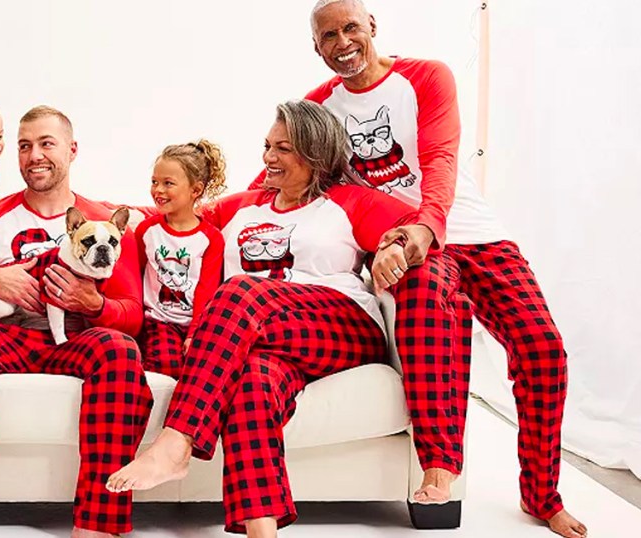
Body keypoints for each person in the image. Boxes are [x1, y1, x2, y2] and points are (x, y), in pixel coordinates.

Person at [252, 2, 583, 537]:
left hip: (468, 233)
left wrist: (423, 228)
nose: (343, 42)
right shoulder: (318, 106)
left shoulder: (426, 76)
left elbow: (441, 161)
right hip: (400, 245)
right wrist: (178, 212)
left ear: (373, 27)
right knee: (429, 305)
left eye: (351, 27)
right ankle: (438, 466)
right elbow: (275, 178)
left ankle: (542, 495)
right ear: (317, 48)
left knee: (542, 347)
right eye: (329, 35)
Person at [107, 100, 426, 537]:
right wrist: (99, 215)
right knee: (253, 381)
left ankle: (177, 440)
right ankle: (262, 527)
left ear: (315, 154)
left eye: (283, 149)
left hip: (340, 324)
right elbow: (172, 215)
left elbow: (419, 226)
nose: (267, 159)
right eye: (267, 146)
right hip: (264, 337)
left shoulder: (350, 201)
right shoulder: (244, 206)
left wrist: (397, 244)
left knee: (241, 289)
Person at [0, 105, 153, 538]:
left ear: (72, 150)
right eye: (24, 146)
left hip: (76, 336)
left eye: (47, 144)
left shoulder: (103, 222)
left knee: (121, 352)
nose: (34, 156)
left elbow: (133, 315)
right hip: (6, 332)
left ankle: (97, 526)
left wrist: (93, 303)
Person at [135, 140, 226, 377]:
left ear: (195, 190)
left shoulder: (211, 239)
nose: (158, 190)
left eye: (168, 183)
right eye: (154, 182)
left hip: (194, 325)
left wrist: (195, 333)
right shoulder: (146, 231)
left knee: (203, 371)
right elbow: (135, 277)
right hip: (157, 322)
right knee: (167, 365)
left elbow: (207, 291)